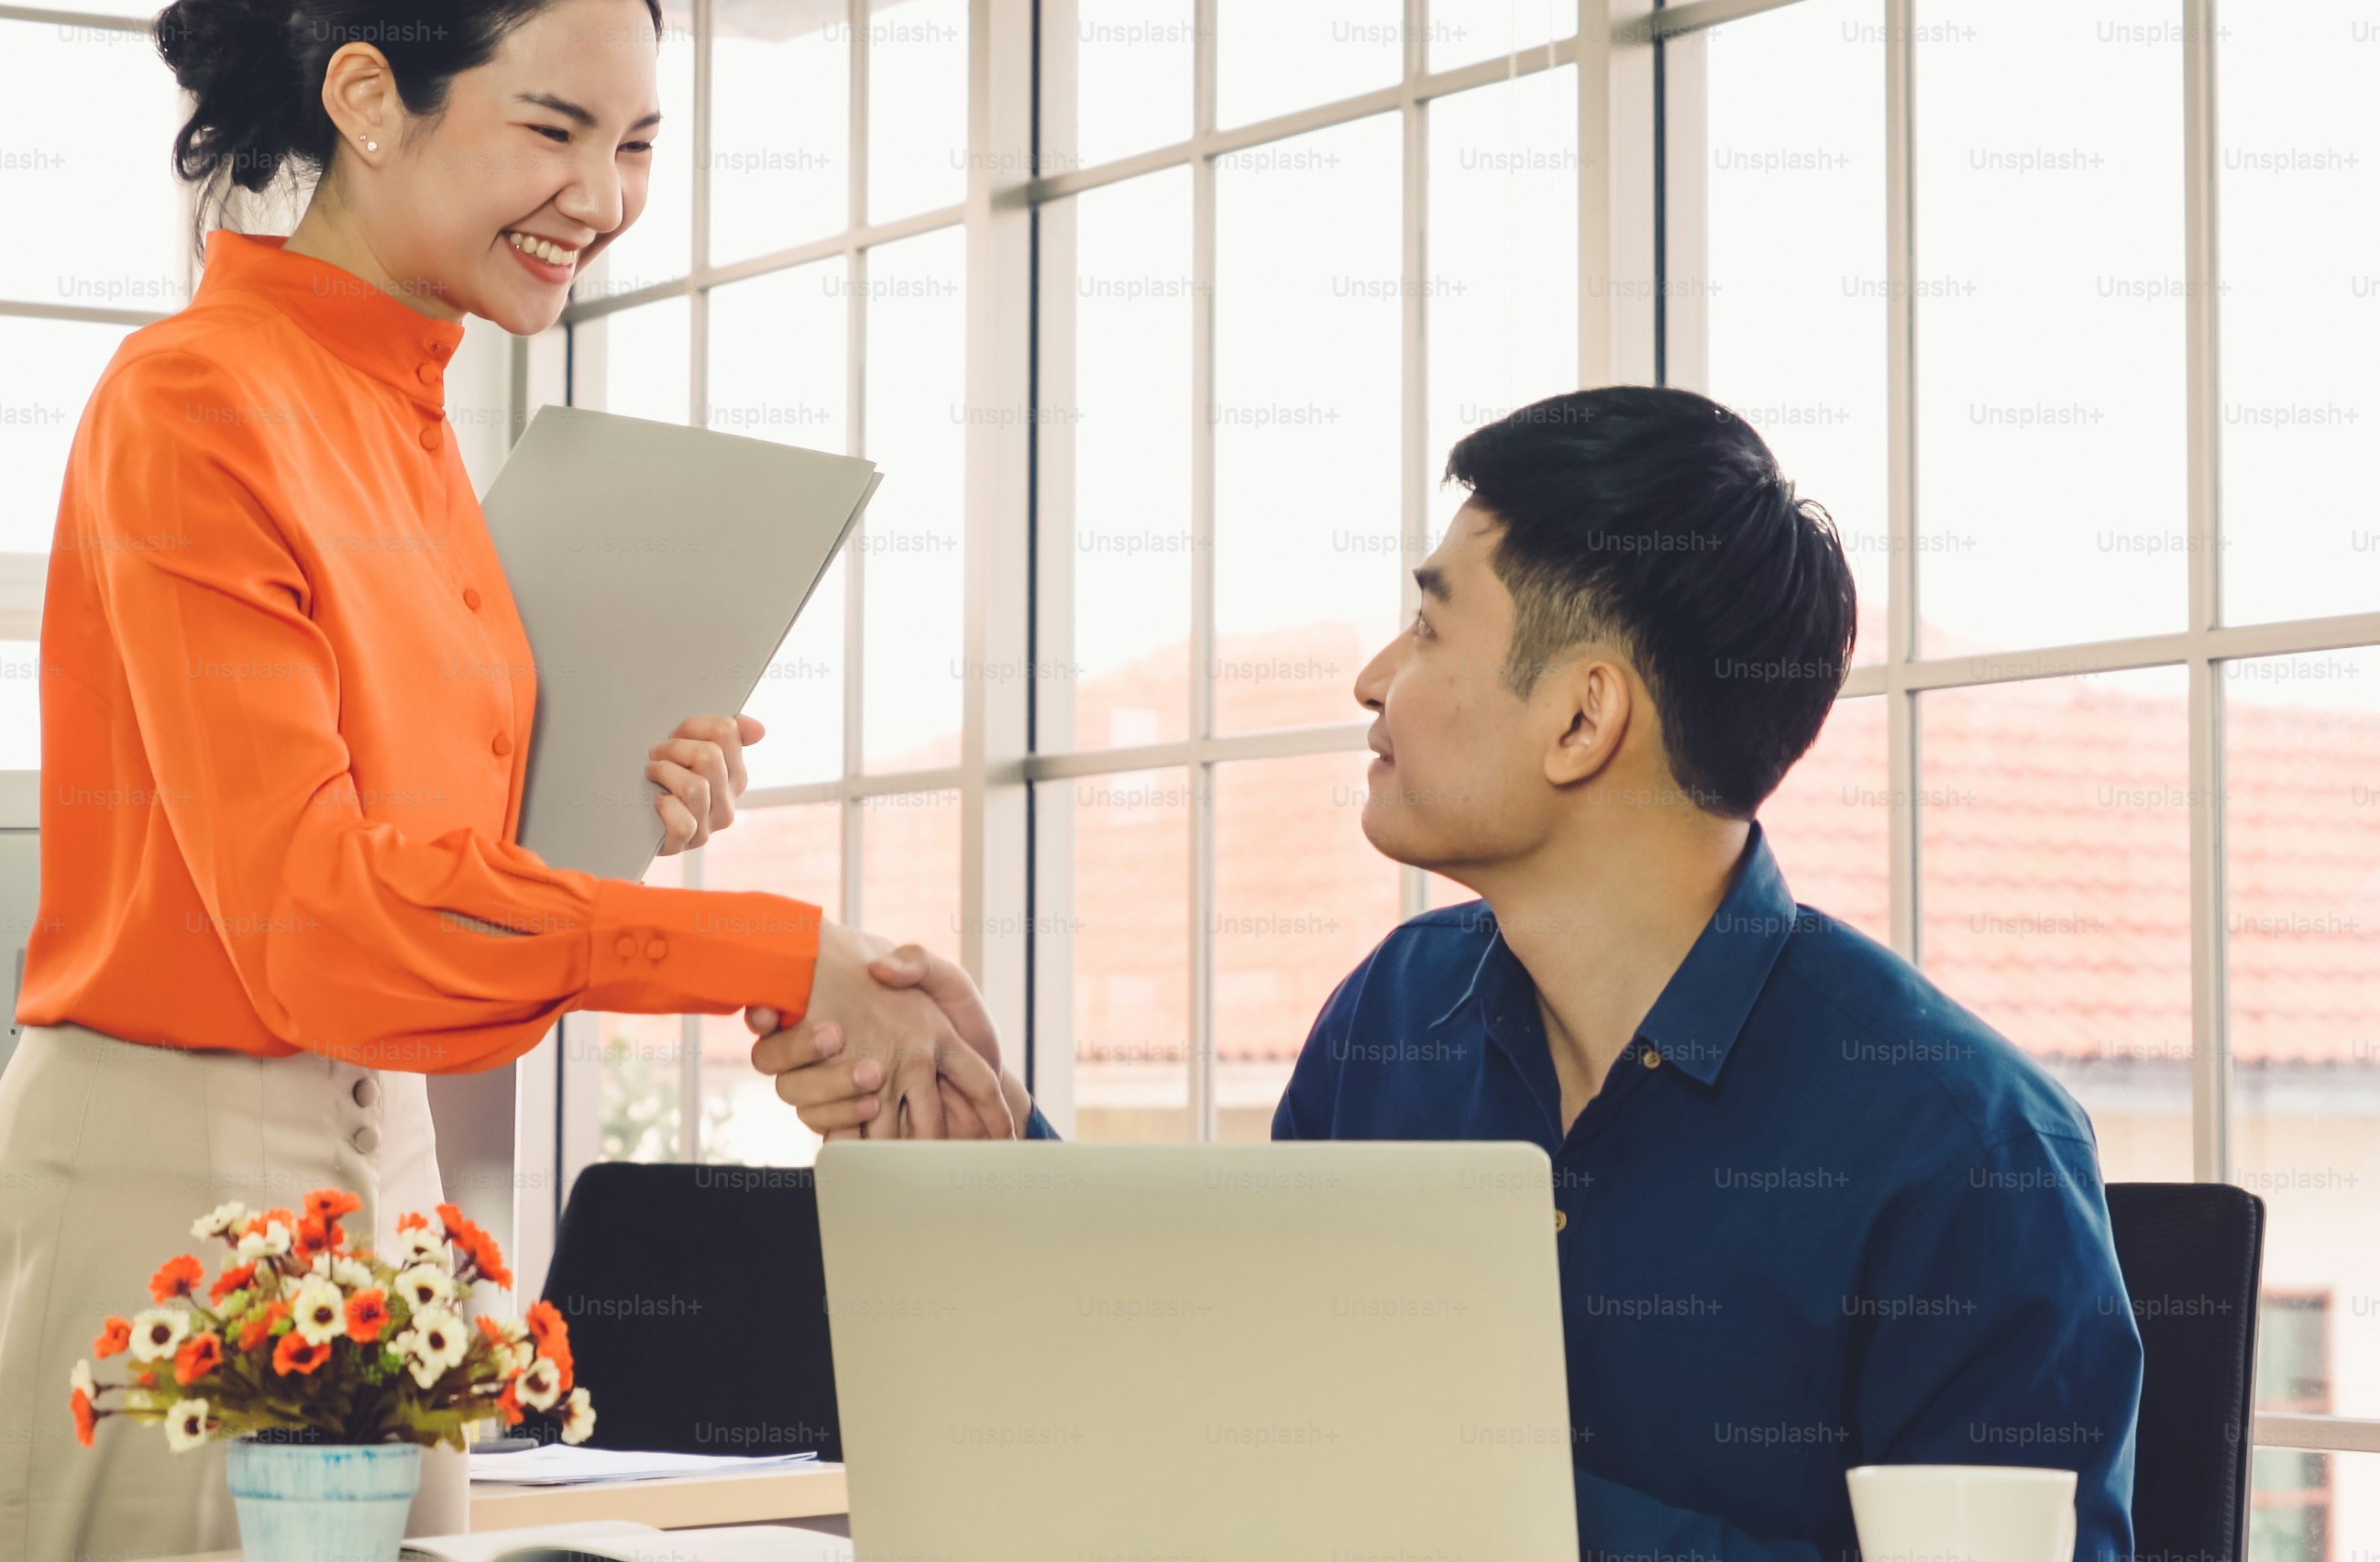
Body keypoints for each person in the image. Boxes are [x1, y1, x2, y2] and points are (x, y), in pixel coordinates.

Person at [0, 0, 1004, 1556]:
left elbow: (416, 876)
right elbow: (322, 923)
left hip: (389, 1204)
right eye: (552, 129)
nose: (602, 197)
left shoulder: (419, 425)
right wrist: (780, 956)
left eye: (635, 145)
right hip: (160, 1202)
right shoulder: (193, 401)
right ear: (367, 97)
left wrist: (600, 807)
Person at [751, 387, 2143, 1560]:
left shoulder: (1967, 1151)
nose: (1371, 677)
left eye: (1427, 628)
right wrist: (994, 1160)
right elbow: (1241, 1403)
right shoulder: (1394, 1019)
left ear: (1582, 718)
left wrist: (1466, 1503)